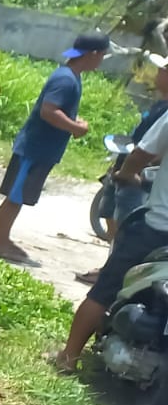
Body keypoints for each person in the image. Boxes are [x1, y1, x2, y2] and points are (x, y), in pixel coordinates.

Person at [54, 108, 168, 372]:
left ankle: (68, 357)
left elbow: (143, 152)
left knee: (106, 289)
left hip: (157, 228)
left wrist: (127, 174)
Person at [0, 32, 112, 265]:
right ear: (93, 54)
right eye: (103, 55)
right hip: (34, 148)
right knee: (16, 195)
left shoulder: (71, 76)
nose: (102, 60)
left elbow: (58, 110)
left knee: (19, 196)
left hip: (41, 150)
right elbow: (49, 111)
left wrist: (74, 121)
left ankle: (1, 238)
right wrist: (76, 128)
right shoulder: (66, 79)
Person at [77, 53, 168, 285]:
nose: (160, 73)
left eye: (165, 70)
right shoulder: (159, 105)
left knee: (128, 232)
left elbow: (151, 152)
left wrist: (135, 171)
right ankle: (109, 269)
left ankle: (113, 276)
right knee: (112, 220)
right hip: (124, 172)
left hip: (138, 179)